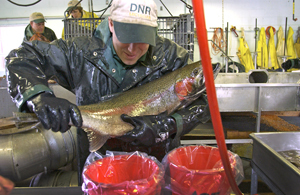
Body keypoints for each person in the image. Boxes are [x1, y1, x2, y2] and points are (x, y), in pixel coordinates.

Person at [6, 0, 211, 184]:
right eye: (126, 37)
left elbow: (202, 102)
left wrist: (169, 124)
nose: (132, 49)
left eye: (141, 39)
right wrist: (38, 96)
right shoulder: (78, 53)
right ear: (111, 24)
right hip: (99, 172)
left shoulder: (173, 58)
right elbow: (22, 57)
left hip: (155, 171)